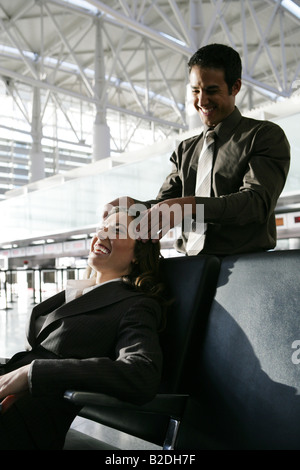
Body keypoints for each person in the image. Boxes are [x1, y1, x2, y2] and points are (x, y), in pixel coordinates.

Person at [0, 207, 166, 450]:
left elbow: (141, 373)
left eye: (117, 230)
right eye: (101, 229)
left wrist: (30, 374)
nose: (102, 235)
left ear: (137, 254)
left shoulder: (136, 305)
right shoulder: (75, 291)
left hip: (25, 420)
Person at [104, 43, 290, 256]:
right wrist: (133, 206)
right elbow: (165, 205)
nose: (201, 101)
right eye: (195, 91)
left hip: (243, 265)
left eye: (211, 90)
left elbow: (255, 204)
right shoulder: (185, 149)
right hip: (188, 266)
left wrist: (188, 206)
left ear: (235, 87)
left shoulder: (264, 136)